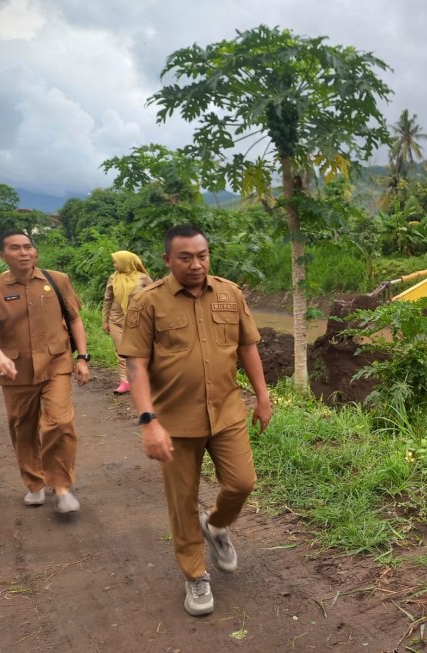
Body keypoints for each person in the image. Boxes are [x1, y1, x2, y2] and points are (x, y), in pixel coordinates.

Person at [119, 224, 271, 617]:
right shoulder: (148, 302)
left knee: (242, 482)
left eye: (202, 255)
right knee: (182, 502)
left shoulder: (229, 293)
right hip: (173, 421)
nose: (196, 264)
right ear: (167, 260)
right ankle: (195, 574)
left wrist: (263, 395)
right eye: (185, 257)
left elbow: (246, 346)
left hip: (226, 411)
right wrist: (148, 420)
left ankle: (217, 525)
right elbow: (135, 365)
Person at [0, 231, 90, 513]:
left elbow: (75, 319)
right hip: (14, 370)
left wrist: (82, 358)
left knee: (59, 422)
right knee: (22, 428)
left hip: (56, 363)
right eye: (15, 248)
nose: (23, 252)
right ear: (3, 256)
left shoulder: (57, 280)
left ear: (35, 252)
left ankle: (61, 486)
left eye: (28, 247)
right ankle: (35, 484)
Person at [101, 250, 153, 394]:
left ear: (125, 262)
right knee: (121, 351)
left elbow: (153, 298)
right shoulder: (113, 278)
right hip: (115, 320)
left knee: (138, 352)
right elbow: (107, 300)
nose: (114, 264)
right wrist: (105, 321)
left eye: (116, 262)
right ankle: (125, 381)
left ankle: (143, 378)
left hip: (136, 321)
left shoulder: (143, 278)